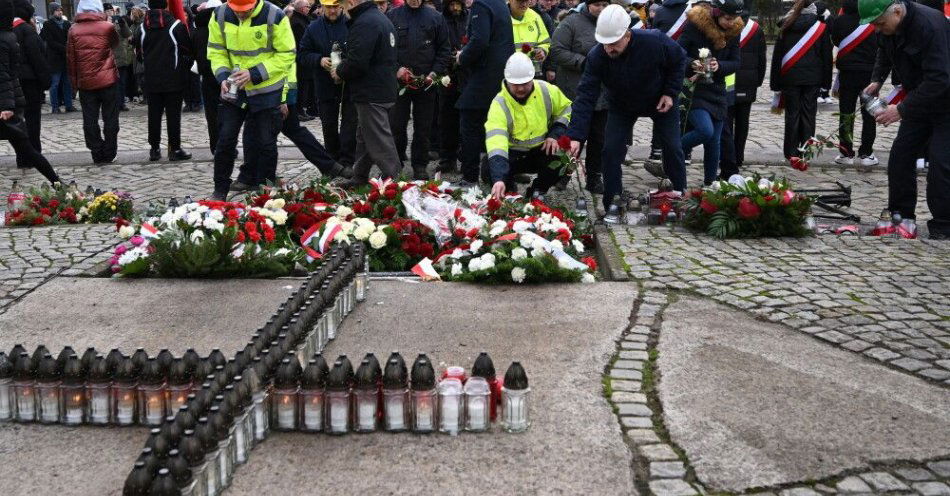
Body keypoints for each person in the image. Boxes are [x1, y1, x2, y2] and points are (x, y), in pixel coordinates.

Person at [565, 4, 686, 214]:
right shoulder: (597, 56)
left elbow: (679, 59)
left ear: (628, 35)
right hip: (621, 105)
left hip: (660, 99)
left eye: (614, 43)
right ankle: (612, 202)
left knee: (673, 147)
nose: (609, 49)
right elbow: (585, 97)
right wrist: (575, 136)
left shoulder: (654, 41)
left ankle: (679, 198)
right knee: (610, 150)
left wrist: (670, 92)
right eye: (605, 44)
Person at [861, 0, 950, 240]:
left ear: (898, 12)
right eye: (874, 25)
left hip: (945, 100)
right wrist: (877, 78)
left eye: (880, 24)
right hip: (919, 99)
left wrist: (900, 110)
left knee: (941, 163)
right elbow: (884, 50)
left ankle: (944, 224)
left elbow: (940, 79)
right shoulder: (887, 27)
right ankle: (901, 216)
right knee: (900, 156)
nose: (877, 29)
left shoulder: (929, 26)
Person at [207, 0, 296, 199]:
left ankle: (265, 192)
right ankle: (220, 190)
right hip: (235, 89)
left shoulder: (274, 15)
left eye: (245, 11)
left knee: (266, 142)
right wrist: (223, 76)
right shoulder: (219, 15)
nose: (241, 15)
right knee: (225, 140)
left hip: (266, 89)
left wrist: (255, 73)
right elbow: (216, 51)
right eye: (236, 10)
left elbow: (287, 54)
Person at [331, 0, 402, 186]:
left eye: (342, 5)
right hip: (382, 88)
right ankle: (359, 176)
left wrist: (339, 71)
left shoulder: (364, 23)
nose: (341, 10)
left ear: (352, 2)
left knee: (379, 140)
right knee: (365, 136)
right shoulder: (379, 18)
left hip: (371, 91)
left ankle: (395, 183)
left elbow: (357, 62)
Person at [484, 52, 572, 199]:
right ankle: (508, 188)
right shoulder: (499, 104)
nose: (520, 89)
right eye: (516, 85)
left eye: (525, 84)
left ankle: (538, 190)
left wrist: (555, 135)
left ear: (532, 78)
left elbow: (565, 110)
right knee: (489, 169)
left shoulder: (547, 90)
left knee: (561, 161)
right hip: (512, 154)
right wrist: (499, 178)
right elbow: (497, 142)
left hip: (542, 150)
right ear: (507, 81)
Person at [676, 0, 742, 185]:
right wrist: (692, 63)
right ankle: (673, 149)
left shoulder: (734, 31)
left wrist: (719, 65)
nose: (731, 22)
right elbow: (678, 52)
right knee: (705, 131)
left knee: (714, 142)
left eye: (734, 18)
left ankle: (710, 184)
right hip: (694, 89)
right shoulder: (695, 25)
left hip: (717, 89)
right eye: (727, 18)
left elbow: (736, 62)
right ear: (717, 13)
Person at [387, 0, 451, 180]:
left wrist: (434, 73)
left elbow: (444, 50)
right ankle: (396, 162)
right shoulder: (392, 17)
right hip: (400, 83)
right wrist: (397, 69)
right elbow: (385, 49)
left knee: (423, 127)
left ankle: (420, 165)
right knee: (396, 125)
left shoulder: (436, 18)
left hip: (426, 83)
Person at [550, 0, 609, 193]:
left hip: (603, 93)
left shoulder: (609, 23)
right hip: (575, 89)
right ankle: (563, 174)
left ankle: (594, 177)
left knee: (599, 138)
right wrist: (584, 62)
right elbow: (557, 50)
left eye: (605, 4)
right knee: (574, 135)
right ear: (588, 4)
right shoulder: (571, 22)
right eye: (597, 4)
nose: (601, 9)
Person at [0, 0, 61, 184]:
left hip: (7, 100)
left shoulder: (5, 38)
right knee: (26, 145)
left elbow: (3, 75)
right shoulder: (11, 34)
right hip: (15, 94)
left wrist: (6, 105)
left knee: (26, 145)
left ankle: (57, 183)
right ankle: (57, 183)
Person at [456, 0, 513, 186]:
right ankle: (497, 176)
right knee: (494, 125)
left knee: (470, 123)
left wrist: (462, 57)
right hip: (500, 73)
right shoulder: (499, 4)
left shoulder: (481, 4)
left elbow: (480, 40)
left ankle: (469, 177)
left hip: (485, 74)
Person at [770, 0, 833, 160]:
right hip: (813, 78)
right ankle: (806, 151)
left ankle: (790, 152)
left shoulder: (786, 25)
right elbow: (826, 57)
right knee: (809, 115)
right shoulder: (820, 27)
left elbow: (777, 56)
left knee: (792, 115)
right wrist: (826, 83)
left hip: (790, 77)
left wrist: (775, 83)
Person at [300, 0, 357, 168]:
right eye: (328, 7)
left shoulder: (352, 23)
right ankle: (332, 160)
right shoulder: (313, 28)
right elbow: (302, 54)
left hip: (349, 82)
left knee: (350, 122)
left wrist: (347, 65)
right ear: (322, 7)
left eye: (335, 6)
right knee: (328, 123)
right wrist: (319, 60)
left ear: (341, 6)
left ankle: (348, 160)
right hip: (324, 82)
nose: (332, 10)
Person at [136, 0, 193, 162]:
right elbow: (187, 50)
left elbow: (139, 54)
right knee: (173, 116)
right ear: (166, 5)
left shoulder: (142, 28)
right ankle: (174, 149)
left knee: (153, 115)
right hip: (173, 78)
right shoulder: (176, 25)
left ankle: (154, 149)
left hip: (151, 78)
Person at [68, 0, 123, 164]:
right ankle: (110, 152)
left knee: (89, 119)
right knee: (110, 118)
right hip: (108, 79)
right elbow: (115, 44)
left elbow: (71, 59)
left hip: (86, 83)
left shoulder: (73, 30)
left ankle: (97, 152)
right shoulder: (107, 27)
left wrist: (74, 85)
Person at [831, 0, 879, 166]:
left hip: (847, 72)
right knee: (869, 114)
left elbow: (836, 41)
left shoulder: (839, 21)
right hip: (869, 74)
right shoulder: (873, 20)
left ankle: (846, 153)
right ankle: (866, 153)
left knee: (846, 113)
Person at [719, 5, 764, 173]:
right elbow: (762, 58)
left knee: (726, 121)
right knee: (743, 122)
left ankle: (727, 157)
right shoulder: (756, 29)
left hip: (728, 79)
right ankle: (739, 155)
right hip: (749, 81)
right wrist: (758, 81)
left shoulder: (725, 25)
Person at [647, 0, 689, 161]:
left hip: (661, 66)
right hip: (686, 65)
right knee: (682, 110)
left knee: (661, 109)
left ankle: (656, 149)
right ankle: (684, 151)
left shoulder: (660, 11)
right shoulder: (692, 10)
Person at [11, 0, 50, 169]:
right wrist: (45, 80)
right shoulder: (27, 30)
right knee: (32, 121)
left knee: (17, 122)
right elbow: (37, 58)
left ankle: (22, 156)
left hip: (12, 82)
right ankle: (34, 154)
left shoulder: (7, 30)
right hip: (30, 82)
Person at [434, 0, 467, 174]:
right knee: (447, 119)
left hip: (466, 75)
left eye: (458, 4)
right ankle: (448, 158)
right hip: (447, 75)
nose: (455, 8)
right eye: (452, 4)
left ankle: (466, 157)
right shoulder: (440, 21)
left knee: (467, 119)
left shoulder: (470, 19)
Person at [193, 0, 222, 155]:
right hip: (226, 74)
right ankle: (226, 146)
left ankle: (215, 146)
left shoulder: (198, 29)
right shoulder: (225, 25)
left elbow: (192, 51)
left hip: (206, 75)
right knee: (229, 112)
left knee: (211, 114)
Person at [40, 2, 76, 113]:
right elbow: (50, 42)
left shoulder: (66, 24)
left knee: (67, 83)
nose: (60, 12)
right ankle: (55, 107)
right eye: (57, 10)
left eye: (60, 10)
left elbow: (71, 38)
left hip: (65, 58)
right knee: (55, 84)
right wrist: (65, 48)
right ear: (52, 12)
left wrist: (69, 48)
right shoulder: (47, 24)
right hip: (55, 59)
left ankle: (69, 105)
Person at [289, 0, 315, 122]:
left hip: (302, 59)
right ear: (301, 8)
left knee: (304, 86)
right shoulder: (297, 22)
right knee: (300, 86)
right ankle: (298, 111)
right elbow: (301, 42)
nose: (309, 8)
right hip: (299, 60)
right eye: (307, 6)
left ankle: (300, 111)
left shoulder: (301, 20)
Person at [510, 0, 550, 77]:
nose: (524, 4)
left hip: (532, 73)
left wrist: (542, 51)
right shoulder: (500, 17)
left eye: (527, 1)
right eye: (520, 1)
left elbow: (545, 41)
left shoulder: (535, 16)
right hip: (508, 73)